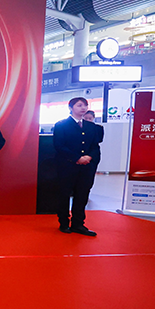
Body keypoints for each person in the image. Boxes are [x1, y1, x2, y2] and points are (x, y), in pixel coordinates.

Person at [53, 97, 99, 236]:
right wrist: (77, 158)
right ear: (71, 108)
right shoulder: (61, 125)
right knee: (64, 194)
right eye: (79, 105)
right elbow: (59, 146)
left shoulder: (91, 126)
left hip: (86, 167)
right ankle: (64, 222)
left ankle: (78, 224)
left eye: (85, 105)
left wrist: (89, 157)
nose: (83, 108)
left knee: (82, 194)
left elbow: (95, 146)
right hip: (67, 166)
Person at [82, 110, 105, 177]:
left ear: (93, 118)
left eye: (90, 118)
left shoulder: (98, 128)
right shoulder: (78, 128)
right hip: (80, 155)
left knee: (89, 175)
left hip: (92, 153)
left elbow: (99, 140)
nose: (88, 120)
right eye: (86, 118)